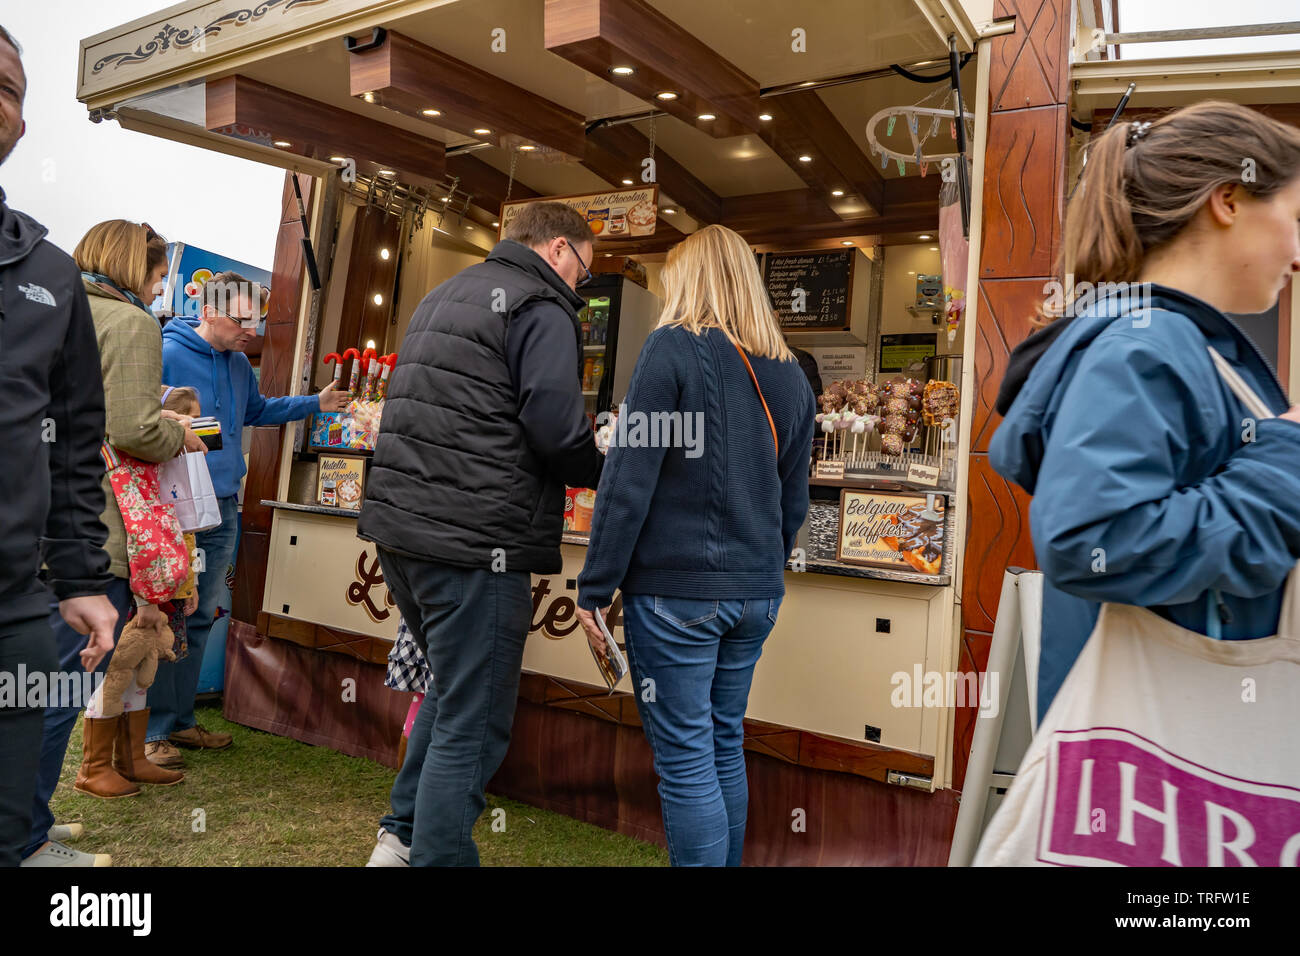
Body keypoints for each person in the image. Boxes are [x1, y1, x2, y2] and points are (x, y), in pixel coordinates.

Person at [990, 101, 1300, 725]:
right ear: (1229, 200)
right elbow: (1091, 539)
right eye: (1297, 217)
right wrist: (1284, 458)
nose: (1298, 253)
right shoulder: (1149, 343)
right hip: (1169, 754)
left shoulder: (1166, 342)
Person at [358, 200, 604, 866]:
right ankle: (438, 854)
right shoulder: (541, 305)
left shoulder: (443, 294)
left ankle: (401, 837)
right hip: (475, 543)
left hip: (401, 532)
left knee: (451, 689)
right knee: (476, 715)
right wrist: (606, 466)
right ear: (559, 249)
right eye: (585, 267)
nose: (584, 282)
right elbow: (557, 429)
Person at [575, 224, 815, 866]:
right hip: (756, 597)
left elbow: (628, 480)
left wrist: (593, 589)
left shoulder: (671, 350)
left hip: (679, 595)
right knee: (722, 744)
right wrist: (760, 565)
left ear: (694, 280)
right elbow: (794, 504)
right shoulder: (794, 378)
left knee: (685, 761)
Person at [0, 26, 121, 869]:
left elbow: (77, 441)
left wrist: (80, 578)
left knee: (8, 827)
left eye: (9, 89)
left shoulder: (48, 271)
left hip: (12, 606)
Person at [150, 271, 349, 766]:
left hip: (223, 507)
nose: (253, 329)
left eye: (256, 318)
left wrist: (316, 404)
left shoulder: (239, 363)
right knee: (164, 617)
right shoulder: (165, 353)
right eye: (244, 319)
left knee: (198, 617)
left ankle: (179, 722)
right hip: (173, 510)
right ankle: (150, 731)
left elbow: (258, 410)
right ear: (211, 312)